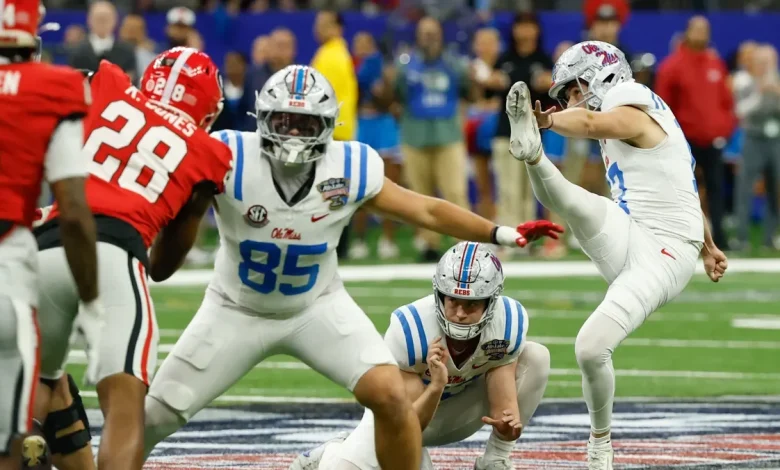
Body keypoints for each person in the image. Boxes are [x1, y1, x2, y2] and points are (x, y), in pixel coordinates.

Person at [141, 65, 563, 470]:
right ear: (262, 118)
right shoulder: (227, 154)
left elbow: (428, 211)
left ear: (327, 125)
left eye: (305, 124)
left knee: (390, 398)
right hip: (233, 309)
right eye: (284, 121)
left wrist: (498, 233)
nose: (293, 134)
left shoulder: (350, 165)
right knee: (154, 416)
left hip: (316, 307)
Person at [505, 41, 728, 469]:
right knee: (577, 203)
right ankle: (530, 151)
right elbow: (677, 181)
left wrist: (548, 121)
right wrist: (710, 243)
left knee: (590, 348)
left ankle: (600, 441)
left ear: (598, 76)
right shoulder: (643, 112)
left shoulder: (629, 100)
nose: (569, 100)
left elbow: (588, 121)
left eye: (571, 90)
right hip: (633, 227)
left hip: (663, 252)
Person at [30, 48, 233, 470]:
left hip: (47, 243)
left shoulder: (108, 84)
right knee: (125, 406)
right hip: (115, 254)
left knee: (39, 388)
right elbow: (162, 265)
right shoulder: (207, 150)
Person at [290, 242, 551, 470]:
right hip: (401, 421)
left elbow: (502, 403)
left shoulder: (508, 322)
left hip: (461, 412)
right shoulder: (410, 329)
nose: (460, 313)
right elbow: (407, 421)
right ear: (439, 296)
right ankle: (331, 453)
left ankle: (495, 461)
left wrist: (507, 426)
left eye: (471, 303)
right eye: (453, 301)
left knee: (536, 356)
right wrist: (437, 385)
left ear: (491, 302)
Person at [0, 1, 98, 467]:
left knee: (50, 376)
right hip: (13, 252)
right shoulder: (52, 90)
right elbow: (76, 210)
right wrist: (94, 292)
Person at [655, 16, 736, 250]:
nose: (701, 34)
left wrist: (724, 128)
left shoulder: (716, 64)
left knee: (716, 190)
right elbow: (662, 105)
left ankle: (719, 238)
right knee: (679, 190)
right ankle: (678, 238)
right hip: (684, 140)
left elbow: (726, 101)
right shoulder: (672, 66)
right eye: (696, 29)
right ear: (687, 32)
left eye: (705, 30)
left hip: (713, 140)